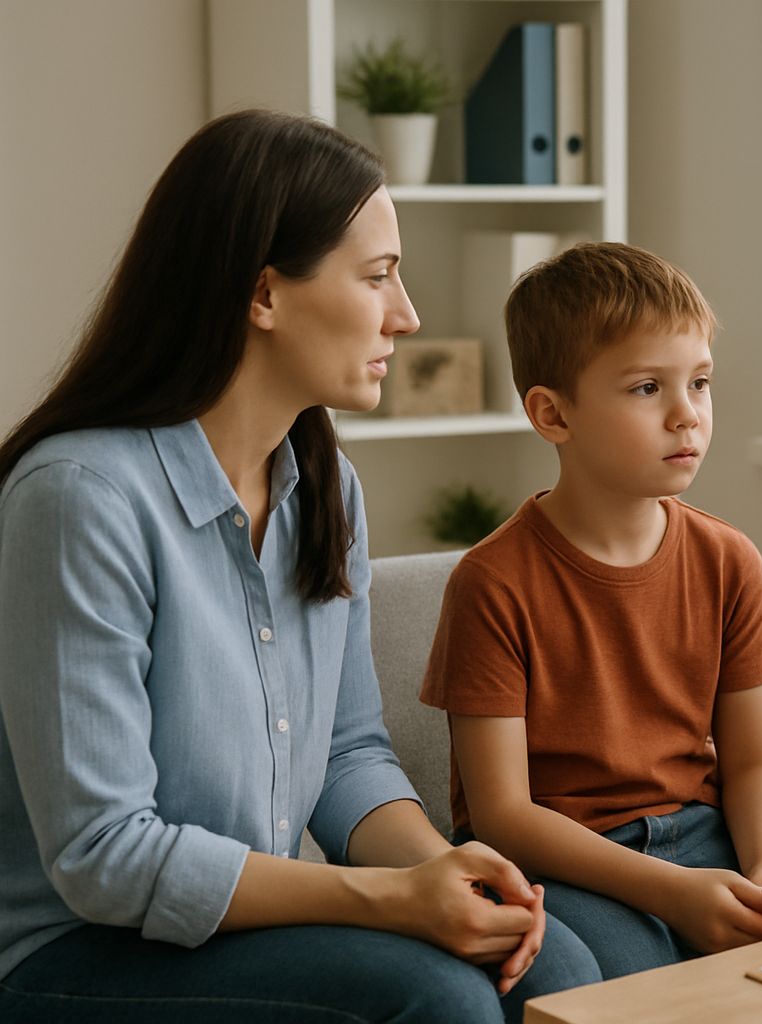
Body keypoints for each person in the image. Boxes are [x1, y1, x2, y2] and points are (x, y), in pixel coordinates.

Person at [0, 110, 601, 1023]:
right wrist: (390, 901)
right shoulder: (80, 497)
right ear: (264, 295)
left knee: (556, 966)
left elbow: (347, 753)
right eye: (378, 275)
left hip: (246, 930)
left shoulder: (325, 485)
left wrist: (443, 874)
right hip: (77, 949)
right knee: (439, 1000)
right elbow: (104, 855)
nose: (407, 315)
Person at [419, 241, 762, 979]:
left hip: (708, 840)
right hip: (565, 864)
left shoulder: (729, 560)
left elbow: (757, 760)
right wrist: (673, 893)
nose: (687, 415)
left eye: (700, 382)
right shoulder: (491, 583)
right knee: (640, 994)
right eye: (646, 388)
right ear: (552, 413)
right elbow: (503, 816)